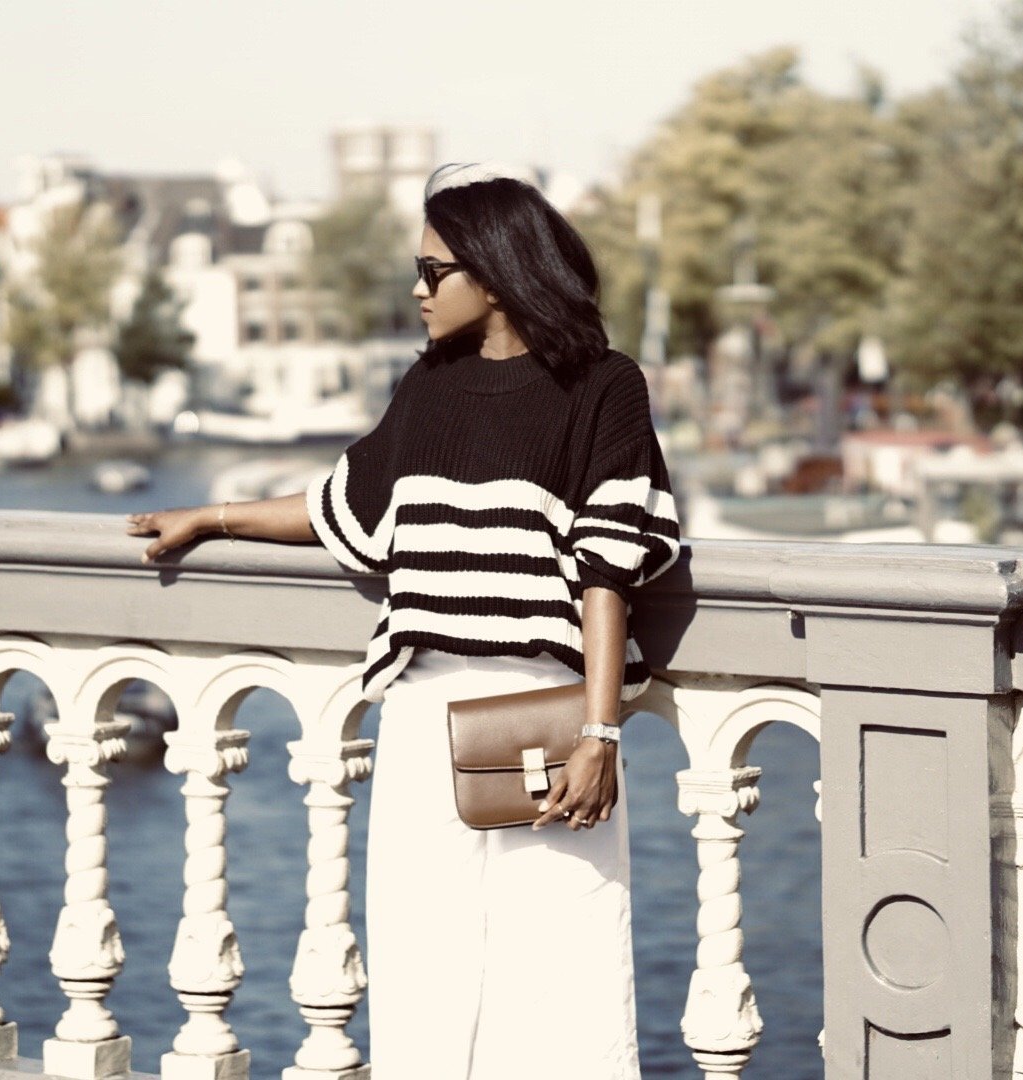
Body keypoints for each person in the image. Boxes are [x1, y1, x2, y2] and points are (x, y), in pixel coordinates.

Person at [125, 161, 681, 1079]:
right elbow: (346, 503)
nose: (416, 291)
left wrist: (599, 730)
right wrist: (214, 518)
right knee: (423, 968)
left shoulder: (602, 386)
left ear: (495, 274)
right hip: (421, 719)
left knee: (563, 973)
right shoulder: (427, 387)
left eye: (433, 273)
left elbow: (609, 565)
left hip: (545, 717)